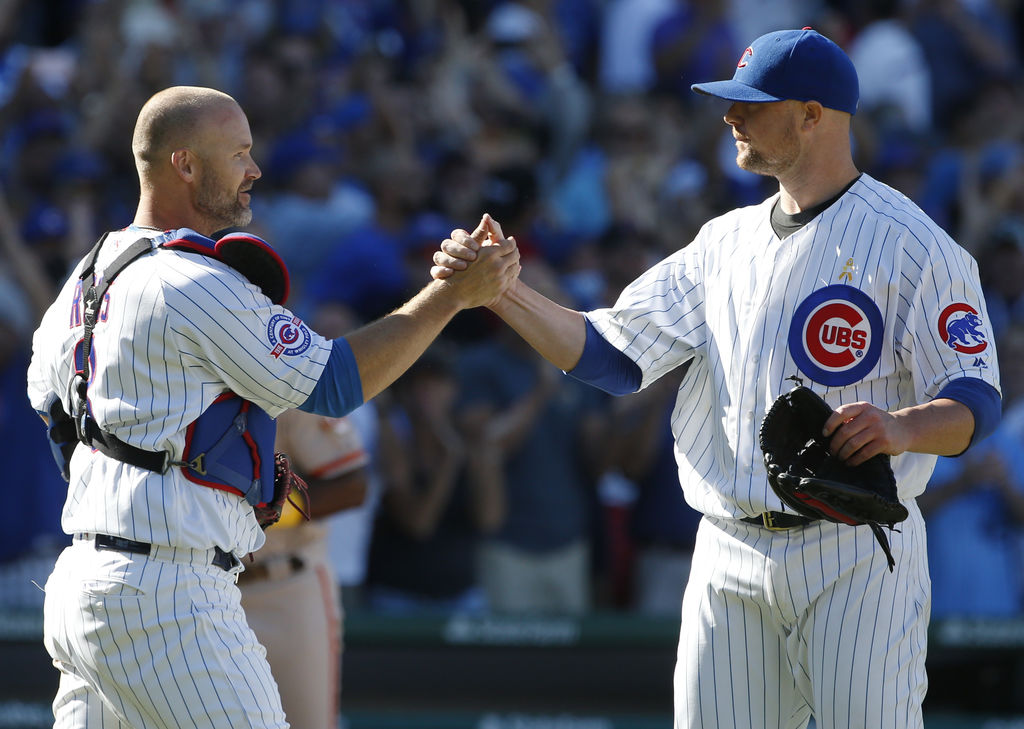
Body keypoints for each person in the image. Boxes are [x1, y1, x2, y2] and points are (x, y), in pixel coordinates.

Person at [433, 29, 1001, 728]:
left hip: (854, 547)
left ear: (812, 114)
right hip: (729, 546)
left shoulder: (916, 244)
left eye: (751, 104)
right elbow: (613, 356)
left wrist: (904, 426)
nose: (730, 117)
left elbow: (976, 398)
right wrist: (503, 295)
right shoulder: (721, 242)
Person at [26, 85, 518, 729]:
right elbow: (336, 383)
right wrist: (450, 296)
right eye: (239, 153)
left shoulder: (83, 279)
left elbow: (57, 420)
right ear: (185, 164)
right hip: (169, 593)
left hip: (83, 584)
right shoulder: (192, 280)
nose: (255, 169)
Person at [238, 408, 369, 728]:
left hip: (285, 587)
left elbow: (352, 486)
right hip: (200, 584)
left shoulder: (287, 376)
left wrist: (269, 512)